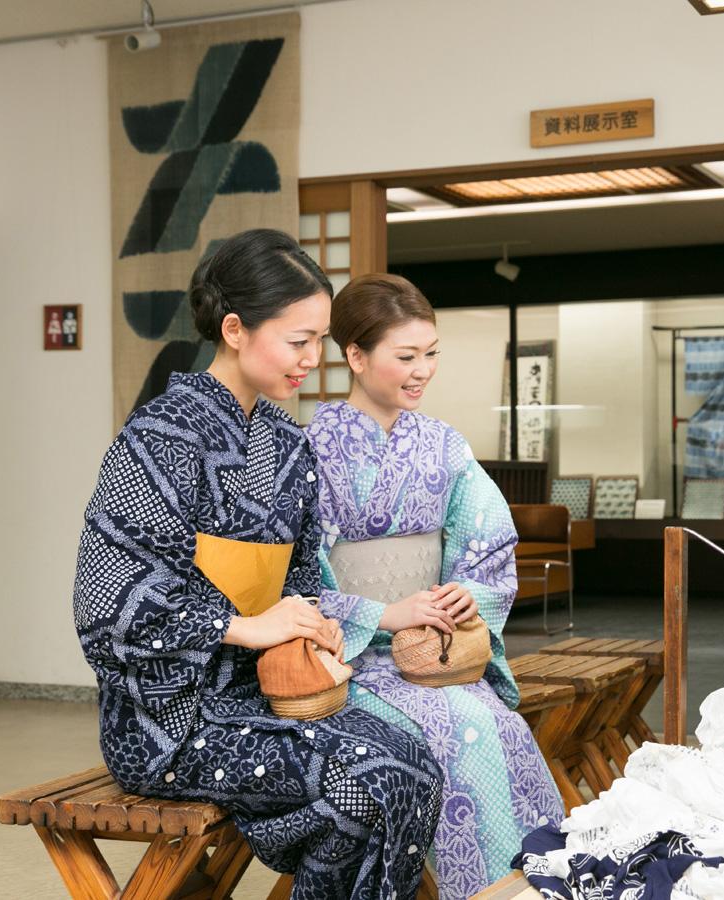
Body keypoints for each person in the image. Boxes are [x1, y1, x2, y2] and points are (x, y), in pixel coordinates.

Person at [73, 230, 442, 900]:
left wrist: (310, 626)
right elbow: (109, 606)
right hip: (169, 721)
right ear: (235, 329)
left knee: (415, 762)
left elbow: (298, 586)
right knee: (364, 779)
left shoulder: (286, 444)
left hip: (264, 696)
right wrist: (247, 628)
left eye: (318, 341)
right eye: (296, 340)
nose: (311, 359)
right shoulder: (156, 440)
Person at [306, 273, 564, 900]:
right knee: (466, 729)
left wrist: (467, 594)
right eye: (406, 357)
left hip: (428, 655)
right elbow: (293, 573)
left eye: (431, 354)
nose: (423, 371)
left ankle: (545, 882)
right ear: (357, 355)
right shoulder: (308, 449)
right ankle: (490, 892)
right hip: (346, 660)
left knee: (502, 726)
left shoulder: (445, 446)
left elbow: (487, 540)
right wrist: (382, 613)